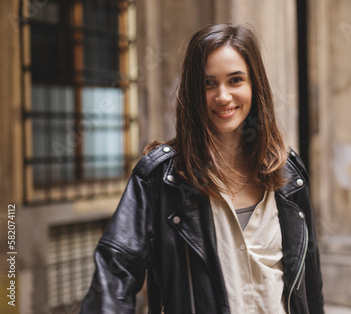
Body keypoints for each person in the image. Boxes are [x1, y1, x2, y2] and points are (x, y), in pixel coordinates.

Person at [80, 23, 324, 314]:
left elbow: (309, 281)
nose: (222, 96)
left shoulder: (288, 173)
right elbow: (114, 273)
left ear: (255, 85)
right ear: (193, 91)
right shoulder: (162, 178)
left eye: (235, 80)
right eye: (209, 83)